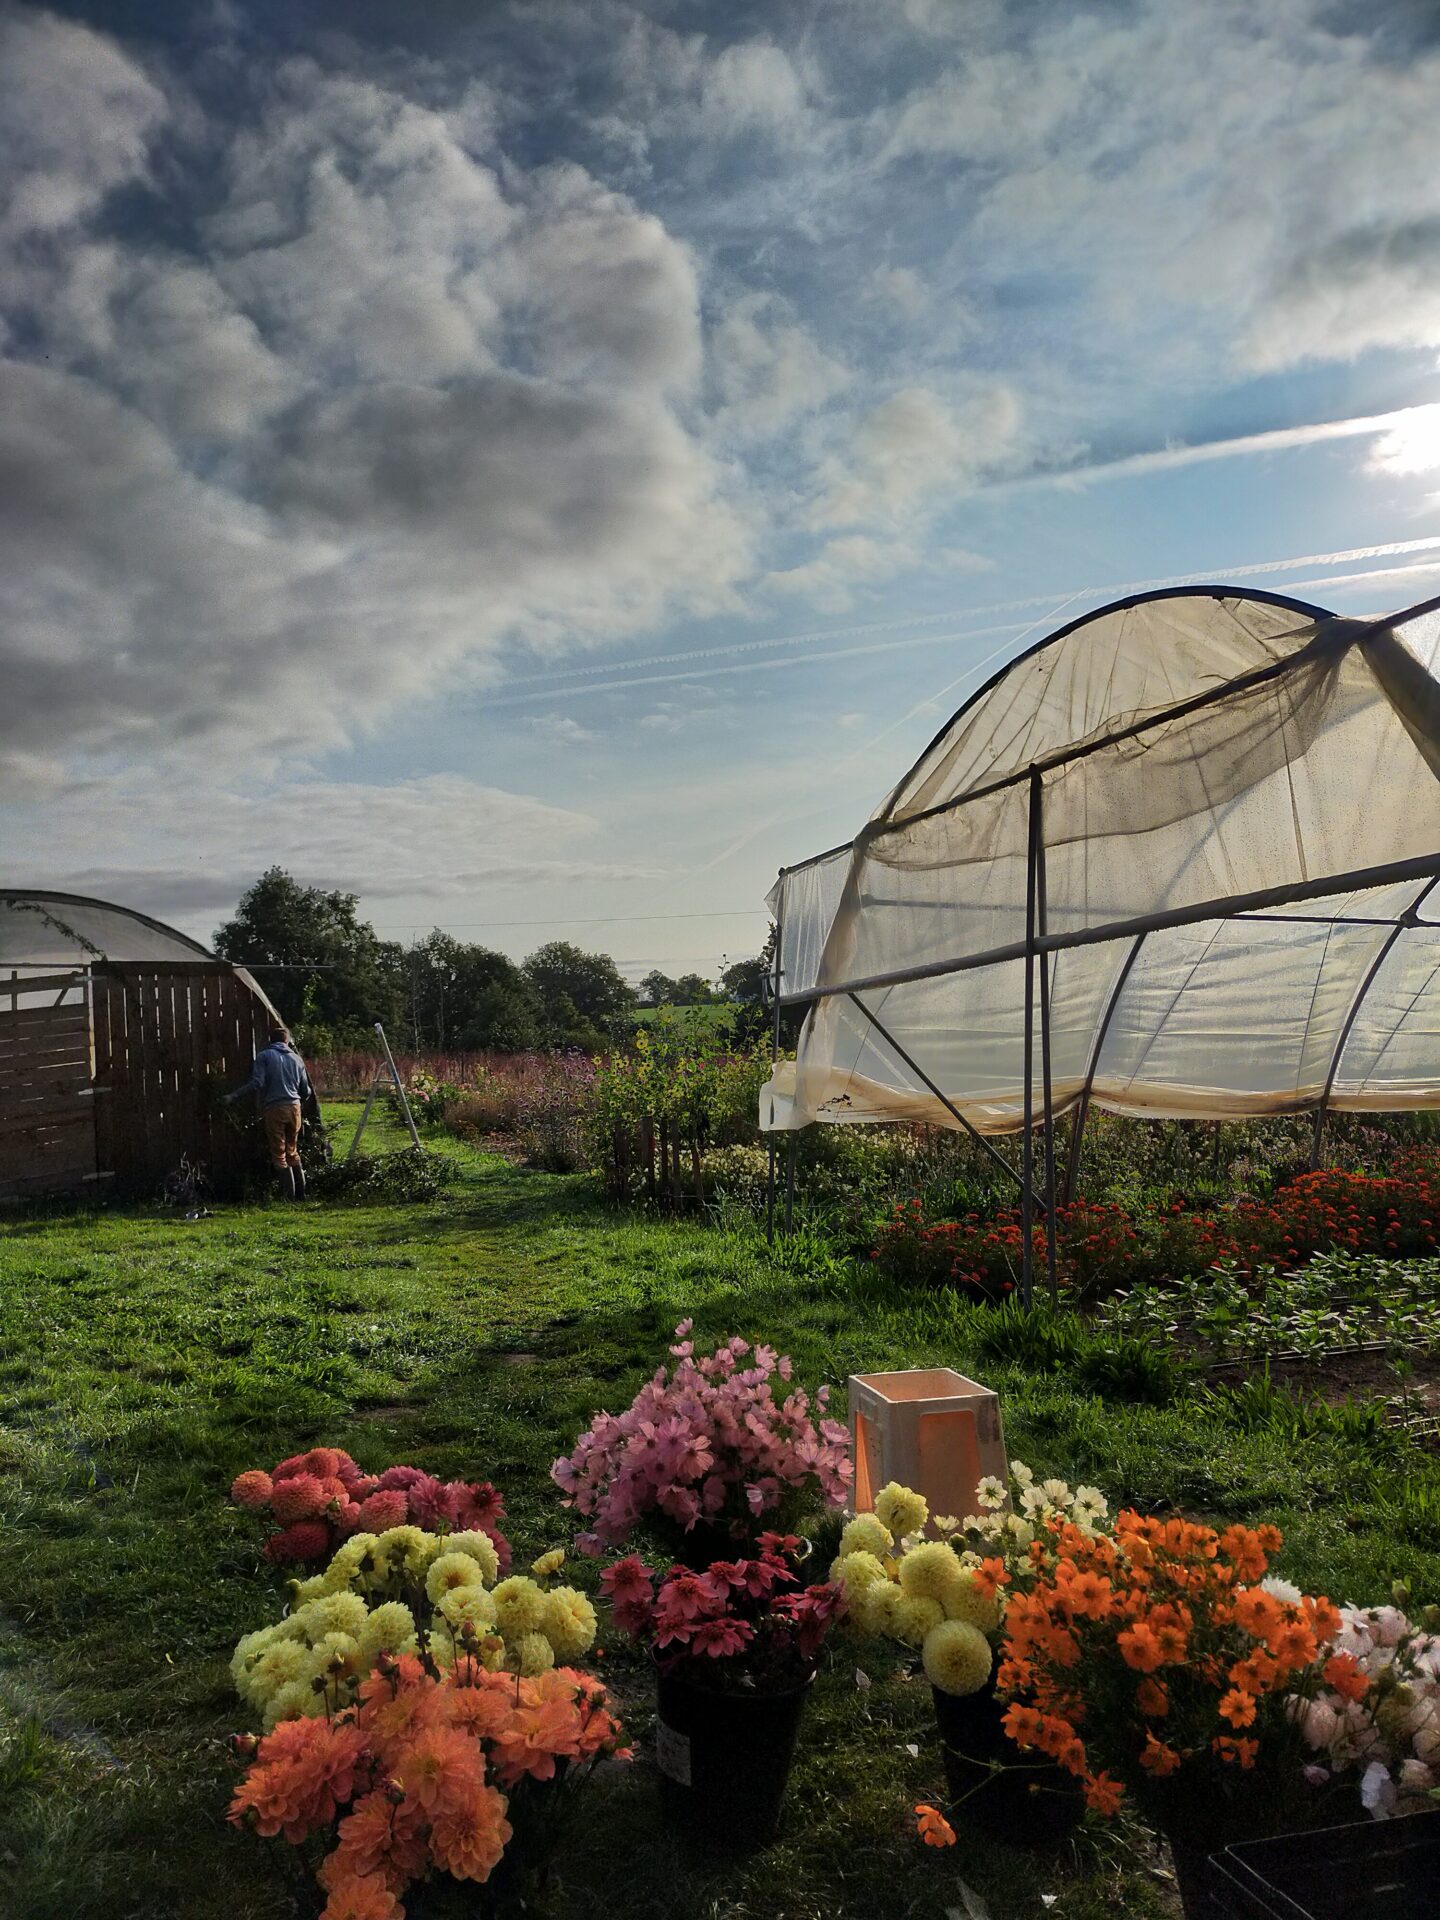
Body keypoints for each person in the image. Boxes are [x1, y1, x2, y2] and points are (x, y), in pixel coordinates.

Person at [227, 1023, 314, 1198]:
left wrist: (233, 1096)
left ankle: (289, 1197)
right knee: (293, 1151)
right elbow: (307, 1091)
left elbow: (257, 1083)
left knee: (279, 1154)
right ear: (287, 1041)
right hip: (295, 1108)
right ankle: (302, 1196)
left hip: (275, 1108)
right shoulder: (297, 1060)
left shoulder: (264, 1056)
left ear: (270, 1041)